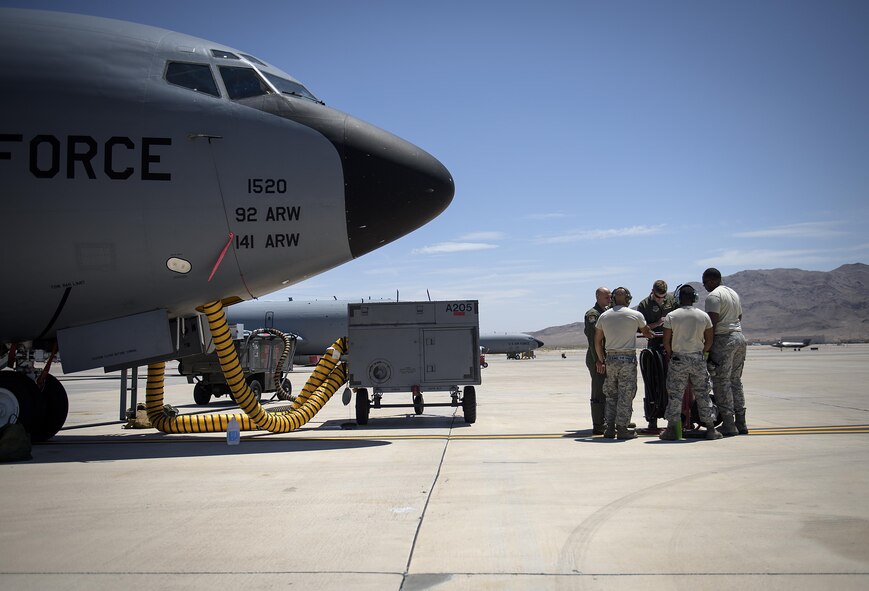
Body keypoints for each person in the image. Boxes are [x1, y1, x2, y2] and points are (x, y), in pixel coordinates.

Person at [659, 284, 722, 441]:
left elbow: (666, 341)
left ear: (679, 298)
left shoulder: (672, 316)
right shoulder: (703, 316)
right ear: (694, 298)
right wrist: (702, 353)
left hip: (679, 359)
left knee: (675, 395)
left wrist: (672, 353)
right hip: (698, 359)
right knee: (703, 394)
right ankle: (711, 429)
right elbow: (709, 340)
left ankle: (671, 430)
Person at [594, 287, 653, 439]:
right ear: (628, 299)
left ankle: (609, 429)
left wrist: (601, 359)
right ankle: (622, 428)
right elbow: (646, 332)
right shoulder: (635, 315)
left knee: (611, 395)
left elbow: (597, 341)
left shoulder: (604, 316)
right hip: (627, 359)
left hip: (611, 359)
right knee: (625, 395)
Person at [702, 268, 747, 436]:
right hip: (739, 337)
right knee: (735, 381)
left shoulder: (713, 296)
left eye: (705, 282)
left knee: (721, 382)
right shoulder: (733, 293)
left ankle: (729, 424)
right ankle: (741, 422)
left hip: (723, 340)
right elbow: (739, 317)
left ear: (712, 281)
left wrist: (707, 347)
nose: (705, 286)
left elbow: (711, 325)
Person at [636, 280, 678, 431]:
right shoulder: (644, 305)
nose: (661, 300)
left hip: (671, 347)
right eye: (658, 297)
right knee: (652, 383)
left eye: (663, 297)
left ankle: (674, 419)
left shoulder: (673, 301)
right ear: (652, 292)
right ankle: (652, 418)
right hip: (653, 348)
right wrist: (657, 323)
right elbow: (640, 329)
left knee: (673, 384)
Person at [584, 287, 611, 435]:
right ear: (597, 297)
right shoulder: (593, 315)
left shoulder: (607, 313)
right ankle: (598, 424)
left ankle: (607, 418)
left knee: (608, 390)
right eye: (606, 296)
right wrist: (598, 361)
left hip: (604, 356)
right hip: (596, 357)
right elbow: (592, 339)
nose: (609, 298)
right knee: (598, 390)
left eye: (610, 296)